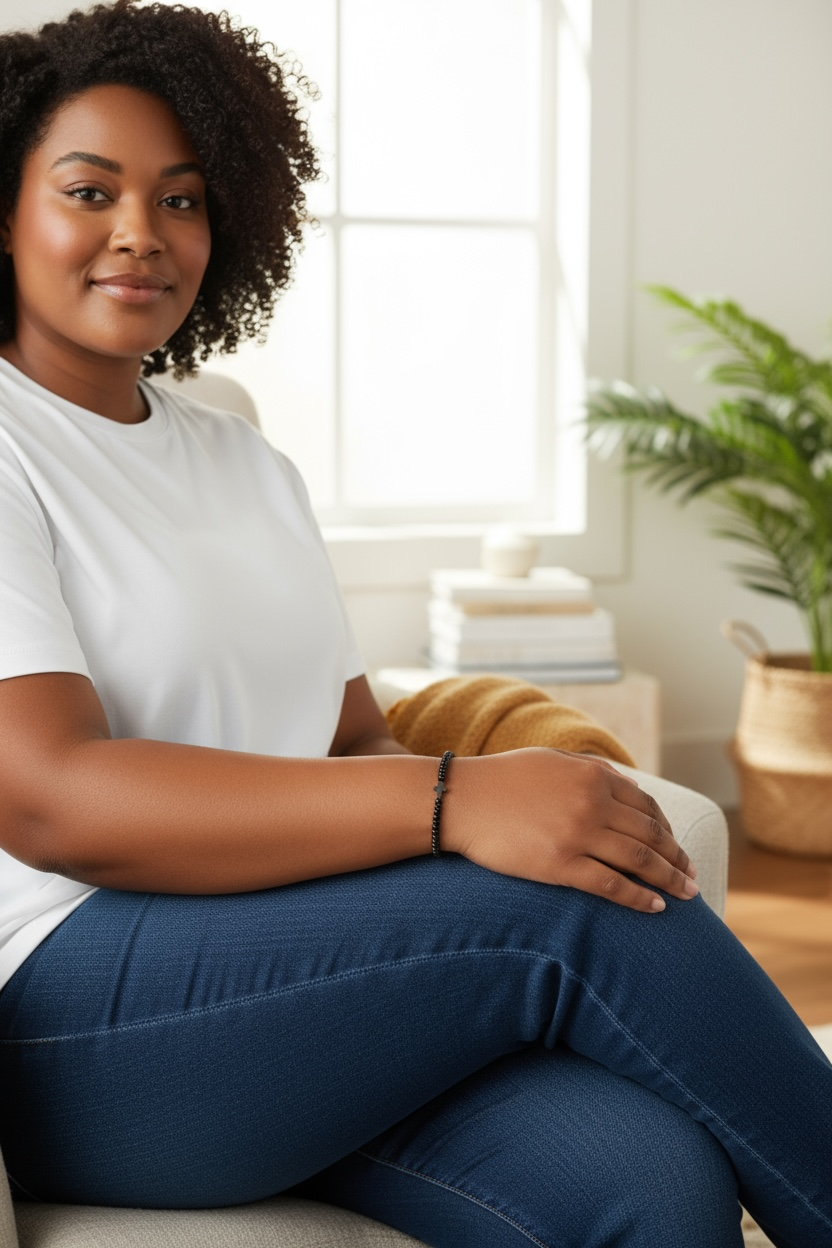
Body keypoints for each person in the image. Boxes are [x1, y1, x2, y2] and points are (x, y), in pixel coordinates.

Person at [0, 3, 828, 1245]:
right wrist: (455, 803)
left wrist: (481, 816)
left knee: (650, 1181)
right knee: (570, 906)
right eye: (88, 191)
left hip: (286, 977)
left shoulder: (245, 464)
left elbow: (349, 743)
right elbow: (50, 799)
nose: (141, 233)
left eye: (181, 199)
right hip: (70, 1012)